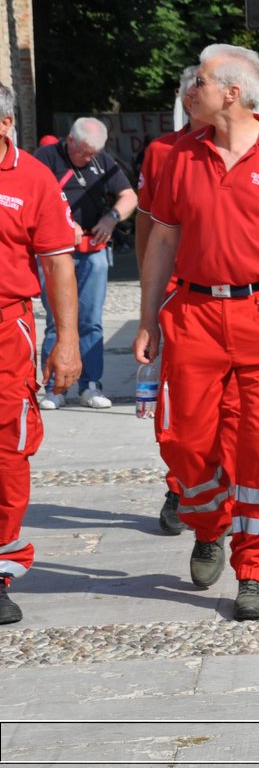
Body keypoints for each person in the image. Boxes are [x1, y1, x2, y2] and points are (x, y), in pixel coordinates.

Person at [132, 44, 259, 623]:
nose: (192, 89)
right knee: (181, 440)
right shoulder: (179, 156)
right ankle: (208, 526)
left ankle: (255, 569)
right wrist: (148, 317)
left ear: (232, 92)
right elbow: (161, 240)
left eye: (201, 81)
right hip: (195, 315)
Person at [0, 84, 79, 624]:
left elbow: (56, 265)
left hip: (7, 329)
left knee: (8, 448)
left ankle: (0, 568)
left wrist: (67, 341)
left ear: (4, 126)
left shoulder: (32, 178)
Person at [137, 65, 204, 537]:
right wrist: (150, 297)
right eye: (190, 90)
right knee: (180, 411)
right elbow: (150, 227)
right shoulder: (163, 151)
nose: (194, 97)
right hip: (179, 296)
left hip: (231, 301)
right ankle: (180, 488)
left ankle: (215, 501)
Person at [33, 116, 136, 410]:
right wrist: (62, 222)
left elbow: (129, 196)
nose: (88, 158)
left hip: (93, 249)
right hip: (56, 251)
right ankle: (55, 387)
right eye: (83, 152)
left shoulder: (102, 160)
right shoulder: (46, 158)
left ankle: (91, 385)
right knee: (56, 319)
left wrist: (112, 217)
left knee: (90, 320)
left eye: (93, 153)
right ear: (70, 140)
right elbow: (36, 198)